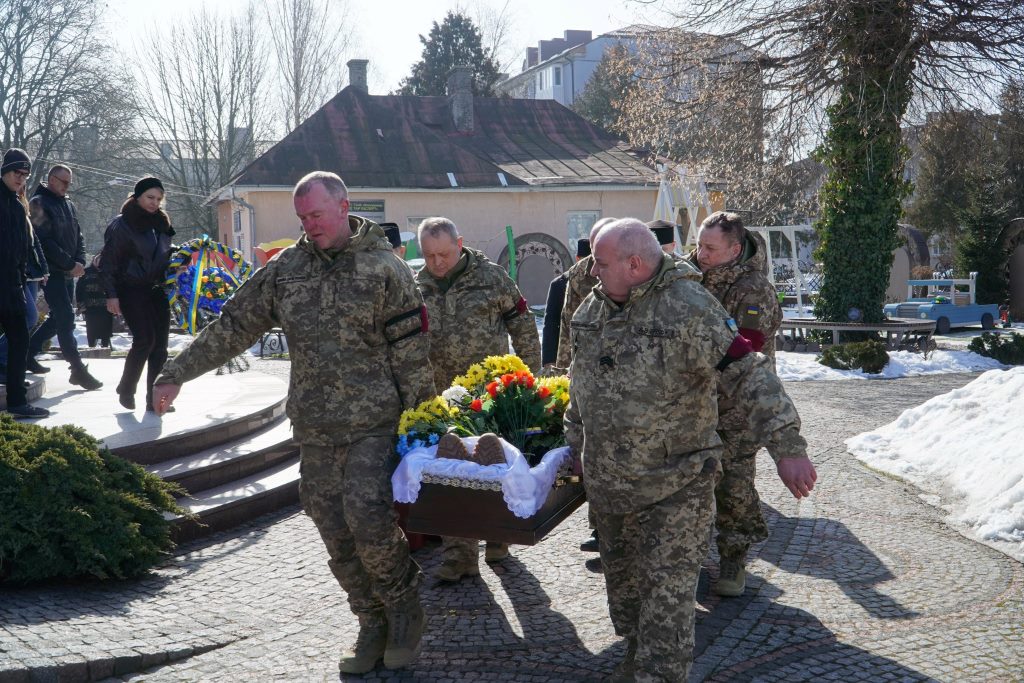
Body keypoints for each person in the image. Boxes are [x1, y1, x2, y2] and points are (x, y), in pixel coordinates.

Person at [151, 171, 435, 675]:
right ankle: (369, 619)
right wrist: (176, 373)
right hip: (314, 424)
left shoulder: (385, 268)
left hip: (374, 420)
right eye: (302, 218)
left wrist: (424, 431)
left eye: (317, 216)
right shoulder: (287, 269)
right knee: (330, 525)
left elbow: (412, 355)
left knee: (368, 518)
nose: (309, 226)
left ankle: (402, 606)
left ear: (344, 206)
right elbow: (236, 324)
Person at [564, 219, 813, 682]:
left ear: (634, 264)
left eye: (600, 262)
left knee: (667, 609)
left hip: (675, 485)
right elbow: (581, 386)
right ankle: (637, 658)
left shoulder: (690, 307)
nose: (592, 272)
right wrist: (574, 441)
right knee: (627, 600)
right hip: (612, 489)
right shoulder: (592, 310)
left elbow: (749, 373)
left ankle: (657, 673)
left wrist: (787, 446)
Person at [415, 216, 542, 582]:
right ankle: (459, 556)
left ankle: (499, 535)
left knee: (491, 467)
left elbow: (522, 326)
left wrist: (527, 381)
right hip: (442, 398)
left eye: (443, 254)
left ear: (460, 242)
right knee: (450, 473)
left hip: (490, 394)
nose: (437, 263)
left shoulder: (492, 278)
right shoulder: (416, 286)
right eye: (429, 255)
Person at [687, 211, 797, 596]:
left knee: (733, 486)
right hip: (691, 407)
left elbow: (744, 352)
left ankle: (733, 559)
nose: (701, 254)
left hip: (735, 409)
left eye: (711, 248)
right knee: (690, 483)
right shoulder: (687, 278)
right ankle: (689, 555)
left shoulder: (753, 292)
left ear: (735, 249)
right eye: (699, 245)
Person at [98, 177, 175, 412]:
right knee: (145, 340)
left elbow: (164, 255)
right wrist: (111, 295)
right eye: (150, 197)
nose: (154, 203)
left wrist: (180, 259)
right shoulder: (122, 224)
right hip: (130, 288)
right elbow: (108, 262)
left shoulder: (161, 223)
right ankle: (126, 388)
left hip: (155, 289)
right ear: (137, 196)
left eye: (159, 199)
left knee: (161, 346)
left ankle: (154, 400)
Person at [26, 164, 102, 390]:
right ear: (51, 179)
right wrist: (69, 264)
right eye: (63, 181)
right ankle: (77, 369)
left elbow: (79, 235)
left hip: (69, 271)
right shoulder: (38, 202)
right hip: (52, 272)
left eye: (69, 182)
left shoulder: (68, 203)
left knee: (59, 318)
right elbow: (43, 241)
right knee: (66, 317)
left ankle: (29, 351)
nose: (67, 186)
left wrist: (79, 262)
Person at [0, 148, 49, 418]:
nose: (21, 178)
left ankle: (18, 401)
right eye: (17, 172)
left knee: (20, 341)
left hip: (13, 286)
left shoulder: (19, 205)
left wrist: (22, 277)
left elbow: (23, 247)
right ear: (5, 170)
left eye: (25, 174)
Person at [0, 220, 47, 375]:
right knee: (30, 318)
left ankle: (11, 361)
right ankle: (3, 357)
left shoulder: (21, 209)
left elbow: (34, 243)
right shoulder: (8, 207)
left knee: (27, 322)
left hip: (31, 273)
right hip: (17, 272)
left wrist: (43, 270)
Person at [541, 238, 589, 366]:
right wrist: (549, 360)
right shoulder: (560, 283)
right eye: (585, 259)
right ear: (577, 258)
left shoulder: (606, 282)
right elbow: (551, 324)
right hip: (566, 353)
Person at [76, 254, 113, 348]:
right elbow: (79, 289)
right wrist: (81, 305)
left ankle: (105, 347)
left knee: (106, 330)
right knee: (91, 330)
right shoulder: (85, 272)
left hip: (106, 308)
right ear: (94, 260)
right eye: (98, 260)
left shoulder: (110, 272)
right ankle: (91, 347)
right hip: (90, 308)